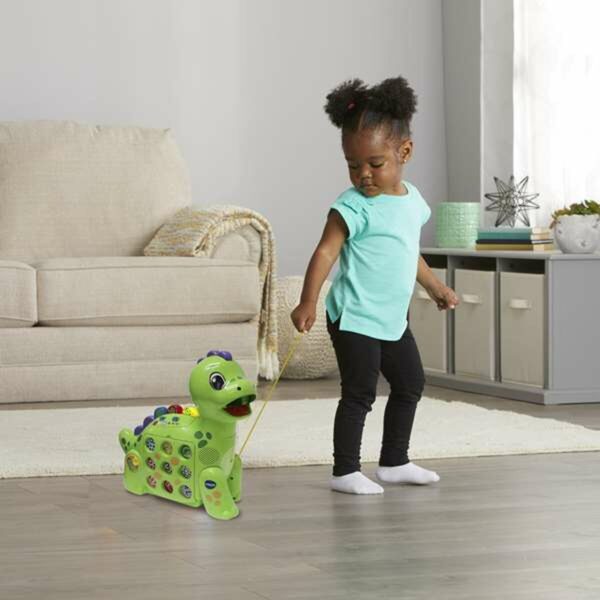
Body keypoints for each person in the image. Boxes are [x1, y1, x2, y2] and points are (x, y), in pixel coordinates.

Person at [291, 76, 460, 495]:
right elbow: (325, 252)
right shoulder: (351, 206)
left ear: (405, 152)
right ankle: (345, 471)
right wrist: (308, 301)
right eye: (353, 165)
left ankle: (394, 461)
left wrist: (435, 287)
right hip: (354, 317)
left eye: (375, 163)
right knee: (359, 393)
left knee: (410, 383)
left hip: (391, 318)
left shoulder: (412, 201)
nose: (363, 175)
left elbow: (407, 253)